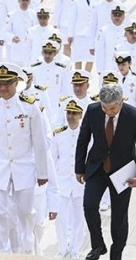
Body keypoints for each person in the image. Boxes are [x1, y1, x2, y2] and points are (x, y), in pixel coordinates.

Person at [0, 63, 49, 254]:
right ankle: (3, 252)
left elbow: (40, 142)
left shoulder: (29, 106)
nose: (2, 88)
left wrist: (43, 172)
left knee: (25, 213)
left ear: (17, 83)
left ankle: (26, 252)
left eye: (7, 83)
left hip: (24, 165)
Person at [75, 84, 136, 260]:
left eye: (112, 108)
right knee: (89, 205)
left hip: (123, 172)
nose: (108, 112)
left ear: (121, 102)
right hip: (97, 168)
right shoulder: (92, 110)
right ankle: (98, 245)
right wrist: (79, 168)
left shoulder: (135, 117)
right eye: (104, 107)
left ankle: (117, 253)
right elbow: (83, 139)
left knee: (119, 218)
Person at [52, 100, 87, 259]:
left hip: (80, 182)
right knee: (60, 216)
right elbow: (53, 158)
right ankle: (62, 248)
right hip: (62, 180)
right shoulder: (59, 133)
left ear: (81, 115)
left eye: (74, 113)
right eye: (69, 113)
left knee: (79, 217)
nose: (71, 116)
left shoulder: (87, 135)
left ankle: (75, 249)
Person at [66, 0, 97, 72]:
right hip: (78, 33)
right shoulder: (75, 0)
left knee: (90, 57)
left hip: (91, 33)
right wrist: (70, 34)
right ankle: (78, 76)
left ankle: (86, 78)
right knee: (77, 57)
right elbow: (72, 18)